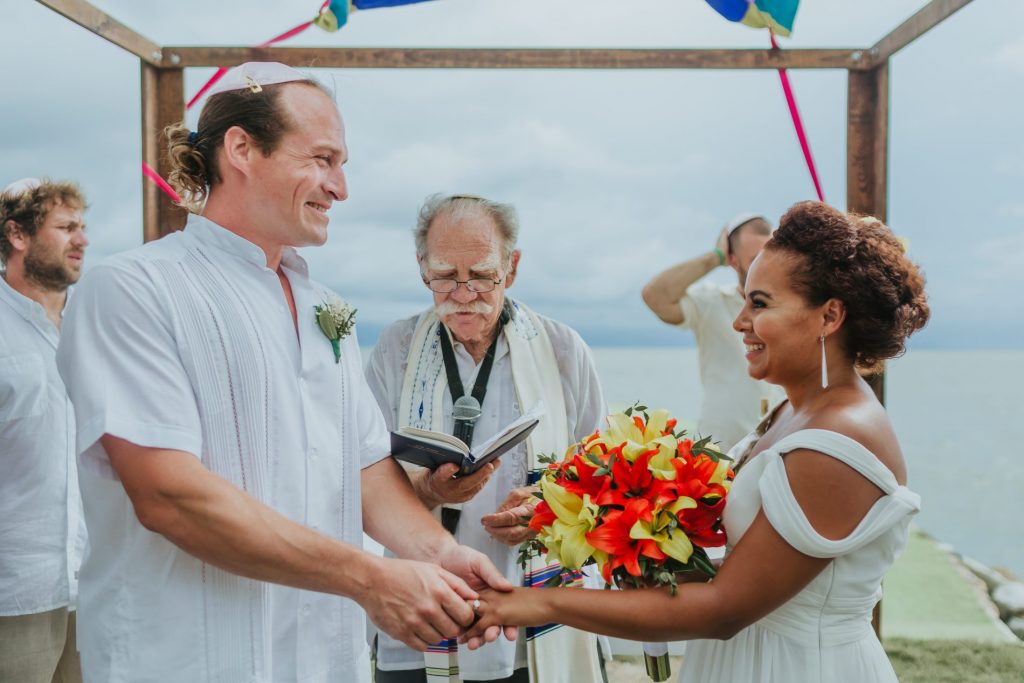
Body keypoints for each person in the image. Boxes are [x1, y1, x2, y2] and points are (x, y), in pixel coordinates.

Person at [54, 63, 512, 683]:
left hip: (326, 660)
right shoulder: (133, 289)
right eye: (322, 159)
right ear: (241, 148)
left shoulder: (327, 309)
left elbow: (364, 465)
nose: (341, 187)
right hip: (184, 658)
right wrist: (370, 577)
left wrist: (443, 554)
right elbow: (170, 495)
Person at [465, 201, 930, 683]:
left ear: (829, 316)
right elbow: (730, 566)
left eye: (761, 303)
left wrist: (532, 602)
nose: (739, 321)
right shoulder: (795, 410)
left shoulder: (837, 441)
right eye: (746, 300)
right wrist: (570, 512)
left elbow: (722, 608)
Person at [365, 194, 607, 683]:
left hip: (533, 606)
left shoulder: (562, 349)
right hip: (421, 605)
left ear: (512, 268)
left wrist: (545, 505)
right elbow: (360, 476)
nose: (462, 292)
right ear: (421, 270)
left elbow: (602, 472)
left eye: (480, 274)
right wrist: (431, 490)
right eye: (444, 276)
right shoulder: (395, 349)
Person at [0, 177, 89, 683]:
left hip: (90, 588)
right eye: (65, 227)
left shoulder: (92, 329)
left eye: (83, 227)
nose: (82, 239)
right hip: (13, 594)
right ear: (17, 235)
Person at [642, 213, 784, 450]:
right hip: (719, 452)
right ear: (733, 260)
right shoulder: (711, 302)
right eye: (754, 259)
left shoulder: (792, 307)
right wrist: (716, 257)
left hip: (778, 446)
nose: (764, 267)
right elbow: (655, 297)